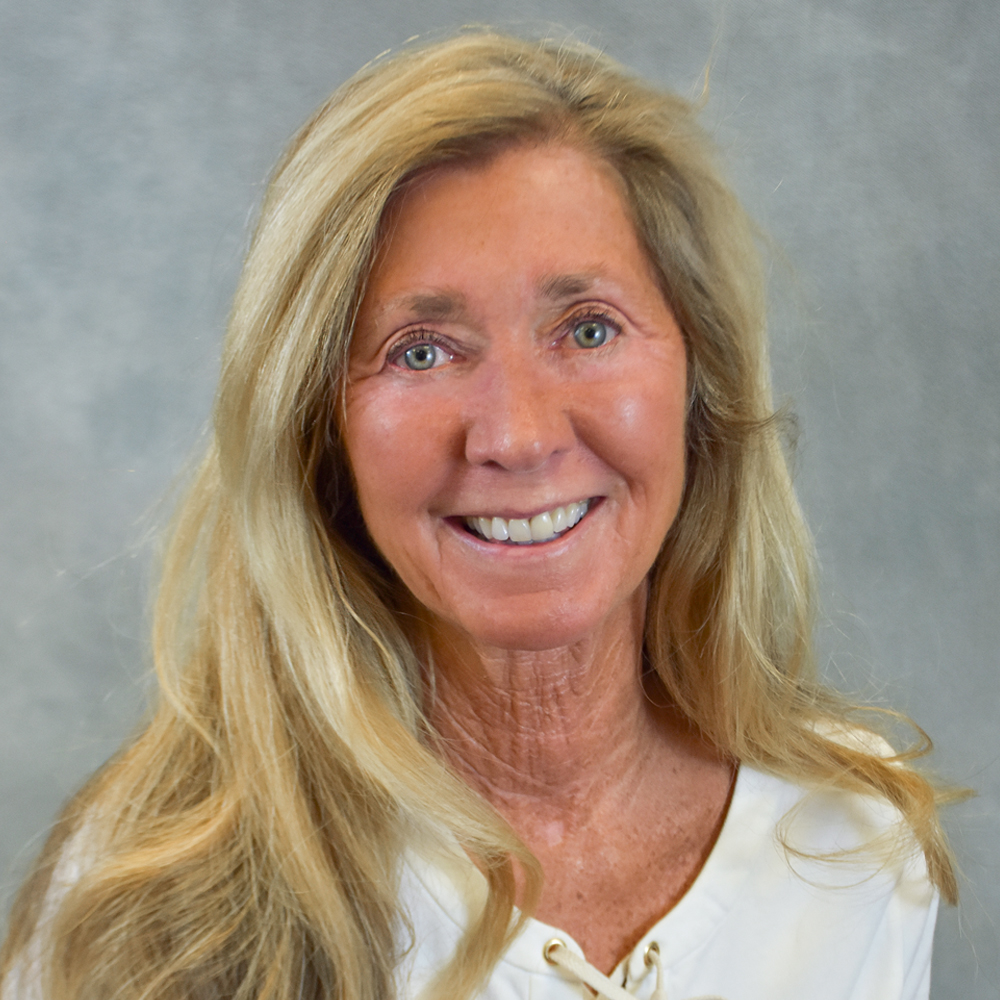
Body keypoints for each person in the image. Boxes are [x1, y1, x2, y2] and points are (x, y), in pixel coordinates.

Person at [0, 30, 958, 1000]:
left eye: (586, 329)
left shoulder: (850, 845)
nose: (517, 434)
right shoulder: (147, 913)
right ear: (315, 424)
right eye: (421, 350)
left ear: (696, 376)